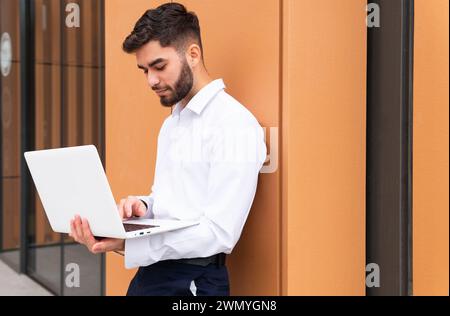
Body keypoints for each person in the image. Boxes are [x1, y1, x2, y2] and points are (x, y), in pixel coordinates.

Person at [69, 2, 266, 296]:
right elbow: (176, 202)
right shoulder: (172, 123)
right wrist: (144, 208)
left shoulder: (235, 125)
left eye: (159, 66)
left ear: (193, 54)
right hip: (151, 274)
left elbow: (219, 233)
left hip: (194, 283)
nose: (151, 80)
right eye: (144, 69)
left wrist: (129, 243)